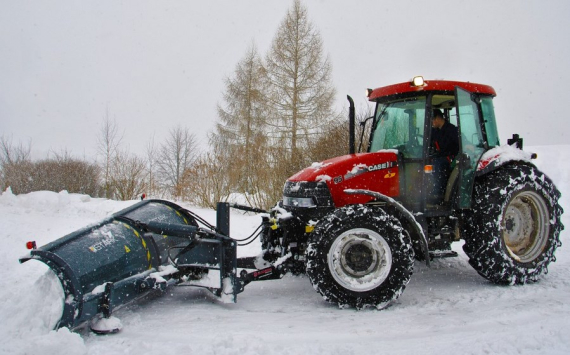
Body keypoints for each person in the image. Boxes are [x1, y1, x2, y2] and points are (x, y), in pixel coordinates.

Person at [429, 109, 459, 203]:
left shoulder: (452, 130)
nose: (431, 123)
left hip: (452, 157)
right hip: (440, 156)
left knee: (437, 164)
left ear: (437, 118)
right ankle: (429, 189)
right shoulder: (435, 131)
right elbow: (429, 142)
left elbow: (461, 143)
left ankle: (438, 194)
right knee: (428, 161)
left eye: (432, 120)